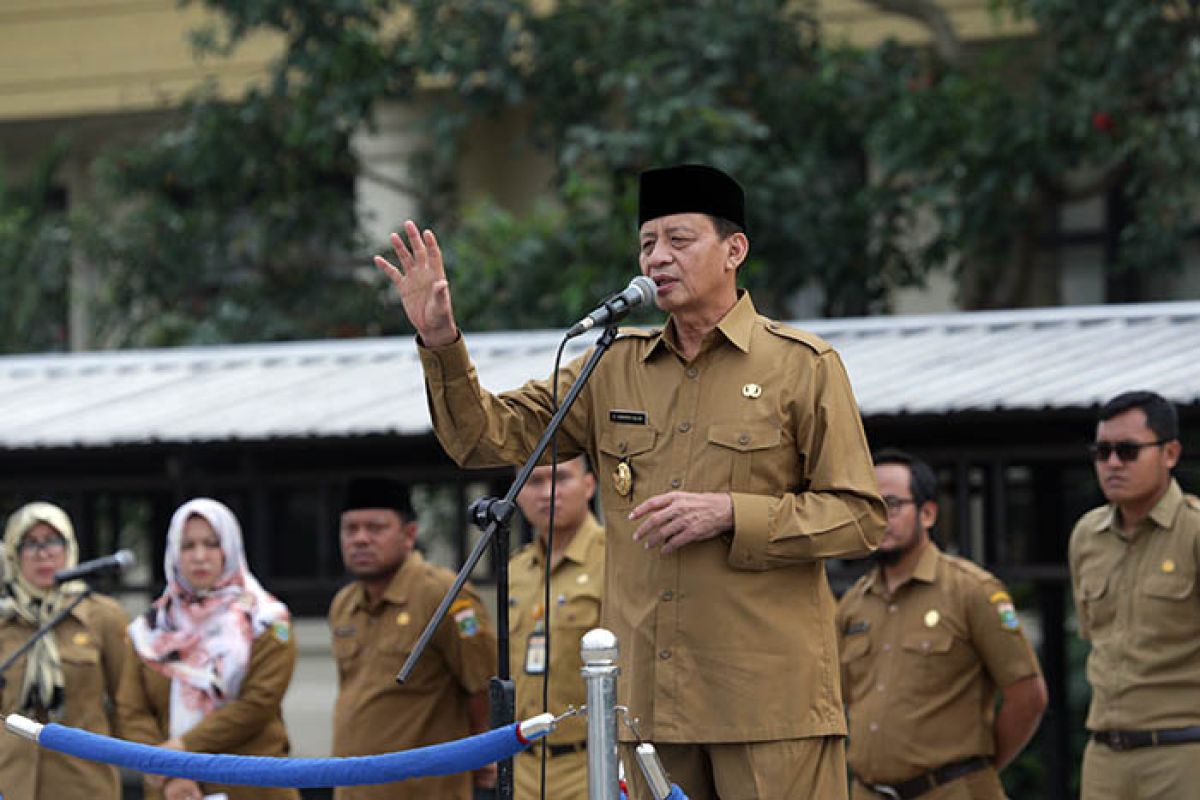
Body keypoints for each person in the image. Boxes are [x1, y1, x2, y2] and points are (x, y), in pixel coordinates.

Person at [373, 163, 886, 800]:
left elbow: (862, 516)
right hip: (648, 711)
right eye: (647, 244)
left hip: (767, 707)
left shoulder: (802, 367)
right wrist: (439, 338)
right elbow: (484, 437)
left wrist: (733, 513)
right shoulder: (613, 365)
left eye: (679, 239)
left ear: (734, 250)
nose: (657, 258)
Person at [836, 449, 1048, 799]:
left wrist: (977, 772)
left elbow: (1028, 698)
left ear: (929, 513)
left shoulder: (972, 590)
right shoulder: (854, 603)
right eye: (868, 505)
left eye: (891, 503)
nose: (879, 517)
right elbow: (841, 701)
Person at [117, 498, 299, 800]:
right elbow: (131, 710)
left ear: (229, 548)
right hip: (171, 790)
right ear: (174, 552)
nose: (199, 556)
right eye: (187, 546)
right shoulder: (149, 629)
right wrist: (168, 777)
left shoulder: (266, 620)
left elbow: (258, 704)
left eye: (211, 544)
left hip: (252, 787)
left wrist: (182, 750)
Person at [329, 476, 497, 800]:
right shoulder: (344, 604)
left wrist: (481, 752)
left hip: (424, 791)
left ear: (409, 535)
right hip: (354, 789)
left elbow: (482, 685)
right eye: (350, 529)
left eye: (375, 528)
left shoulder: (443, 594)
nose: (360, 539)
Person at [1069, 391, 1200, 799]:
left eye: (1127, 451)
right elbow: (1095, 638)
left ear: (1170, 453)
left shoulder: (1194, 532)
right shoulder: (1086, 536)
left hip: (1182, 751)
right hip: (1105, 754)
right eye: (1102, 451)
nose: (1111, 464)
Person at [0, 502, 129, 800]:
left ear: (69, 546)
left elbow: (128, 703)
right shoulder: (4, 621)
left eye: (53, 541)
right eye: (30, 543)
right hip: (11, 782)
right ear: (13, 554)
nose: (43, 553)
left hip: (84, 782)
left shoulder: (102, 616)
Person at [509, 455, 604, 800]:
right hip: (523, 763)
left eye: (561, 479)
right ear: (518, 494)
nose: (548, 493)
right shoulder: (517, 569)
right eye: (534, 482)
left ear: (590, 485)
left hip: (591, 761)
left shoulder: (616, 560)